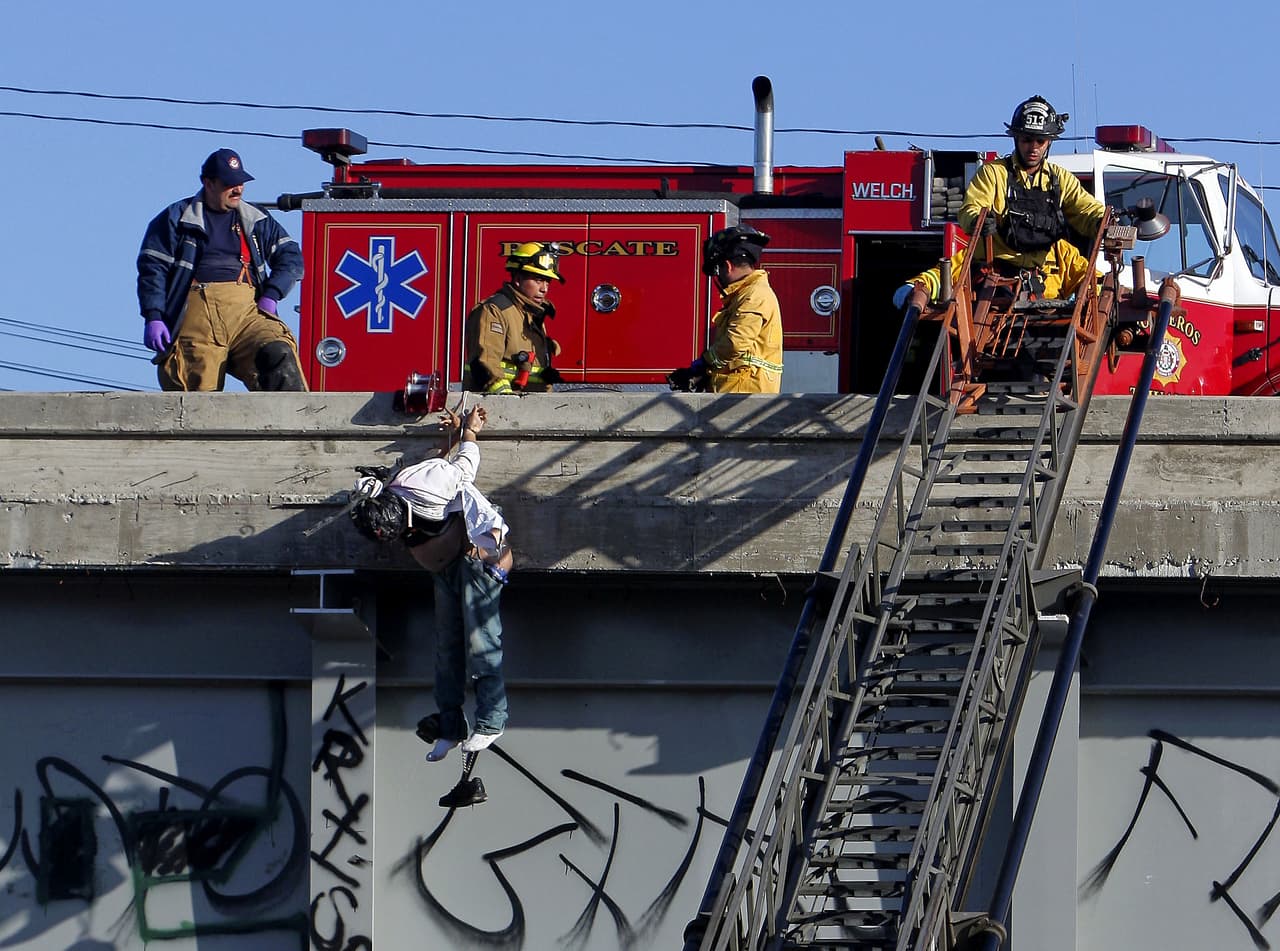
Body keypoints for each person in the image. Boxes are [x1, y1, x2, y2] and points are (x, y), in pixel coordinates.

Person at [348, 403, 512, 780]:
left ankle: (490, 722)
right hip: (444, 573)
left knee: (482, 643)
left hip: (476, 559)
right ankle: (451, 727)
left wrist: (468, 432)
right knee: (447, 650)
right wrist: (448, 436)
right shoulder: (389, 495)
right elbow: (437, 463)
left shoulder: (427, 488)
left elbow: (462, 469)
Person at [137, 148, 307, 391]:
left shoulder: (256, 219)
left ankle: (294, 425)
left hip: (246, 315)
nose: (237, 189)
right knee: (198, 400)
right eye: (229, 184)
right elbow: (152, 269)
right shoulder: (176, 218)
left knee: (277, 353)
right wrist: (153, 316)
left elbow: (291, 257)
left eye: (241, 183)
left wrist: (272, 294)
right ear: (208, 183)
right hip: (196, 318)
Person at [957, 96, 1106, 273]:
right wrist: (977, 220)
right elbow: (970, 208)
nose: (1033, 148)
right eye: (1027, 140)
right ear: (1016, 139)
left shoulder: (1060, 179)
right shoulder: (993, 174)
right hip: (994, 277)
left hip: (1042, 277)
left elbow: (1086, 209)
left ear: (1049, 142)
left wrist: (1104, 222)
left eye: (1040, 141)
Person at [668, 225, 783, 393]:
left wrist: (703, 365)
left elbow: (735, 344)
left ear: (727, 266)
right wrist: (706, 373)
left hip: (742, 394)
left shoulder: (753, 295)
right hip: (740, 390)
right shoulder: (748, 294)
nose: (718, 276)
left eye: (718, 269)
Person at [464, 242, 564, 394]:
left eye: (547, 282)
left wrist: (543, 377)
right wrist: (507, 401)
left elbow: (525, 369)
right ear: (518, 279)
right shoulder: (495, 310)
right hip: (499, 409)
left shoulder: (534, 314)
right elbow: (485, 364)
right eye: (538, 280)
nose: (544, 288)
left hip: (531, 407)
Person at [893, 235, 1096, 310]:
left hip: (1047, 335)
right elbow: (949, 270)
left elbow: (1087, 276)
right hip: (992, 342)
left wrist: (1094, 291)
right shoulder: (988, 245)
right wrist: (918, 286)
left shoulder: (1061, 250)